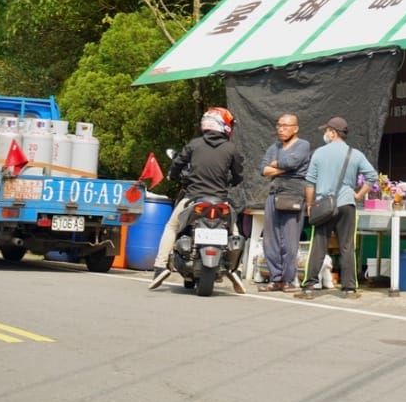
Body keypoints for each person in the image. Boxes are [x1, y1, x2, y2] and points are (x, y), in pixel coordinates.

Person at [148, 107, 247, 294]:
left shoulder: (194, 145)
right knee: (234, 230)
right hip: (220, 201)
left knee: (171, 226)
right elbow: (238, 175)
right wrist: (231, 181)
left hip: (193, 198)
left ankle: (160, 267)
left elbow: (177, 165)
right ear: (223, 125)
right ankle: (237, 271)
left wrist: (173, 175)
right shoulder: (231, 149)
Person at [296, 116, 377, 299]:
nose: (325, 134)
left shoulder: (319, 153)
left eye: (326, 131)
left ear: (333, 133)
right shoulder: (354, 154)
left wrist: (309, 204)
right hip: (347, 204)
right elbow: (371, 176)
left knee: (318, 245)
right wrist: (358, 195)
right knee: (347, 246)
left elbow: (309, 182)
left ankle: (308, 288)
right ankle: (349, 289)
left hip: (323, 205)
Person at [257, 113, 311, 293]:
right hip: (274, 194)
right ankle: (275, 278)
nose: (281, 129)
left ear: (295, 128)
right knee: (270, 240)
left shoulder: (303, 145)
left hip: (293, 194)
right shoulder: (274, 146)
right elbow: (263, 169)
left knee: (289, 241)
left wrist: (277, 166)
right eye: (279, 125)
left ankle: (288, 280)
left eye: (286, 125)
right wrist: (283, 168)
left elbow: (293, 161)